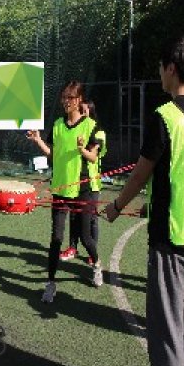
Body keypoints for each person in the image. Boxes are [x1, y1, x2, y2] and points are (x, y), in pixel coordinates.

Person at [102, 35, 184, 366]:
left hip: (172, 238)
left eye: (161, 68)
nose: (160, 74)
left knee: (166, 331)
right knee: (182, 322)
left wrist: (116, 206)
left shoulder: (166, 116)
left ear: (172, 68)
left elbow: (140, 175)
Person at [27, 81, 103, 303]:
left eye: (69, 98)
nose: (65, 102)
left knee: (86, 238)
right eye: (63, 98)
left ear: (79, 100)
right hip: (60, 189)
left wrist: (81, 150)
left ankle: (97, 265)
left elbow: (93, 157)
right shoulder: (58, 125)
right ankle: (50, 283)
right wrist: (38, 140)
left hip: (82, 190)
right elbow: (53, 155)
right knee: (56, 238)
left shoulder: (90, 125)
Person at [60, 100, 107, 266]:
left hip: (92, 183)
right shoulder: (77, 129)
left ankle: (92, 253)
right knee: (74, 215)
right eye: (80, 110)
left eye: (84, 111)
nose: (81, 113)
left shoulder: (98, 132)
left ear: (91, 112)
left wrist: (81, 148)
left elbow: (94, 155)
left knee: (91, 219)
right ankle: (72, 247)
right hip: (76, 181)